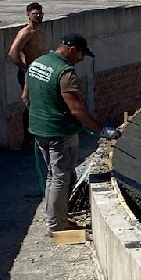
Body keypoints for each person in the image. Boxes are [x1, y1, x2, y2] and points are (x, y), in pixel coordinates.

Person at [24, 33, 121, 235]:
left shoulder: (38, 63)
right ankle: (57, 225)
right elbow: (76, 109)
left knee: (53, 175)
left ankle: (57, 218)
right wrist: (102, 130)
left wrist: (42, 115)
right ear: (71, 50)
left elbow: (25, 97)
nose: (81, 59)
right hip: (59, 133)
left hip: (39, 130)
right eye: (81, 54)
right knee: (60, 177)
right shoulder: (65, 73)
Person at [7, 2, 46, 93]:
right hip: (29, 72)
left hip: (39, 71)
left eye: (40, 14)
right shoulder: (26, 33)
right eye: (35, 14)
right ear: (28, 15)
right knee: (30, 100)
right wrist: (24, 68)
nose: (38, 16)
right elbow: (13, 53)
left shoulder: (40, 32)